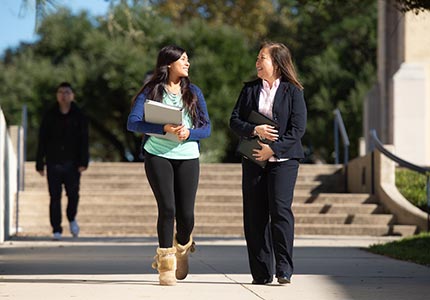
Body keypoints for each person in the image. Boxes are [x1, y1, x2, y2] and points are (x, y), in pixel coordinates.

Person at [127, 45, 211, 286]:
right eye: (182, 60)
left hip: (188, 156)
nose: (187, 63)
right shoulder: (151, 90)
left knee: (186, 215)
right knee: (167, 208)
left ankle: (183, 247)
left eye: (187, 59)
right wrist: (161, 128)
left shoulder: (194, 92)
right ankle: (165, 264)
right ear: (169, 64)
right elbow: (133, 123)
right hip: (157, 155)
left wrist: (190, 132)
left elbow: (207, 128)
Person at [229, 42, 307, 285]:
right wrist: (254, 129)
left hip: (284, 160)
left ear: (277, 63)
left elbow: (298, 129)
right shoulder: (250, 89)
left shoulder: (293, 91)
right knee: (254, 215)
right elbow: (234, 120)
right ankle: (261, 273)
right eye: (257, 58)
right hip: (253, 157)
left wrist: (272, 148)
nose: (257, 63)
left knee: (280, 212)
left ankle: (284, 269)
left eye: (262, 58)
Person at [36, 82, 89, 241]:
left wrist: (83, 161)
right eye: (61, 92)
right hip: (53, 162)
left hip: (73, 163)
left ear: (72, 96)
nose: (64, 95)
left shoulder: (79, 115)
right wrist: (40, 162)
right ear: (57, 95)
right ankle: (56, 229)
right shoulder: (49, 115)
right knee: (54, 196)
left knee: (73, 194)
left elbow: (84, 140)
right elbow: (42, 140)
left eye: (67, 92)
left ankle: (71, 217)